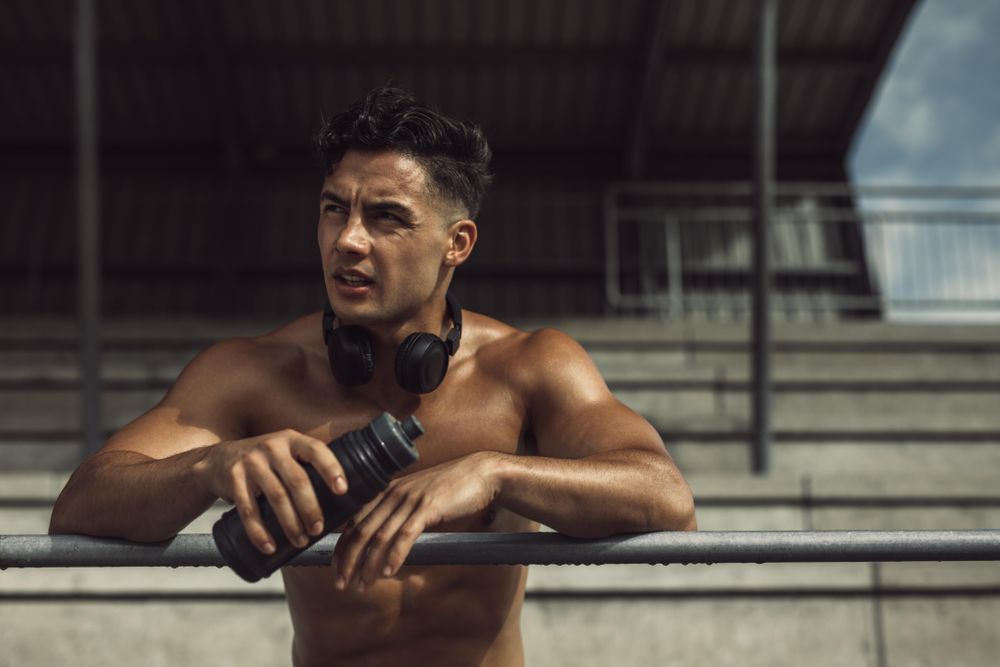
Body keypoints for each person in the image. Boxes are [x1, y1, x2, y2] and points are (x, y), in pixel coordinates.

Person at [49, 86, 697, 667]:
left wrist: (493, 471)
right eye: (335, 210)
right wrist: (209, 466)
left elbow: (666, 498)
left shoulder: (528, 365)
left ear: (458, 243)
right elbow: (80, 506)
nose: (347, 240)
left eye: (385, 217)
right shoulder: (252, 371)